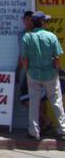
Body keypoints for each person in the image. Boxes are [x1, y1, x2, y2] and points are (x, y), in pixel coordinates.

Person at [20, 11, 65, 140]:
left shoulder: (27, 37)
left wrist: (27, 70)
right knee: (56, 101)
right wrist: (57, 70)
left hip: (33, 74)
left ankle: (34, 132)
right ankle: (63, 130)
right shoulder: (51, 36)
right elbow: (56, 58)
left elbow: (24, 58)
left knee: (34, 103)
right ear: (42, 22)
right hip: (50, 73)